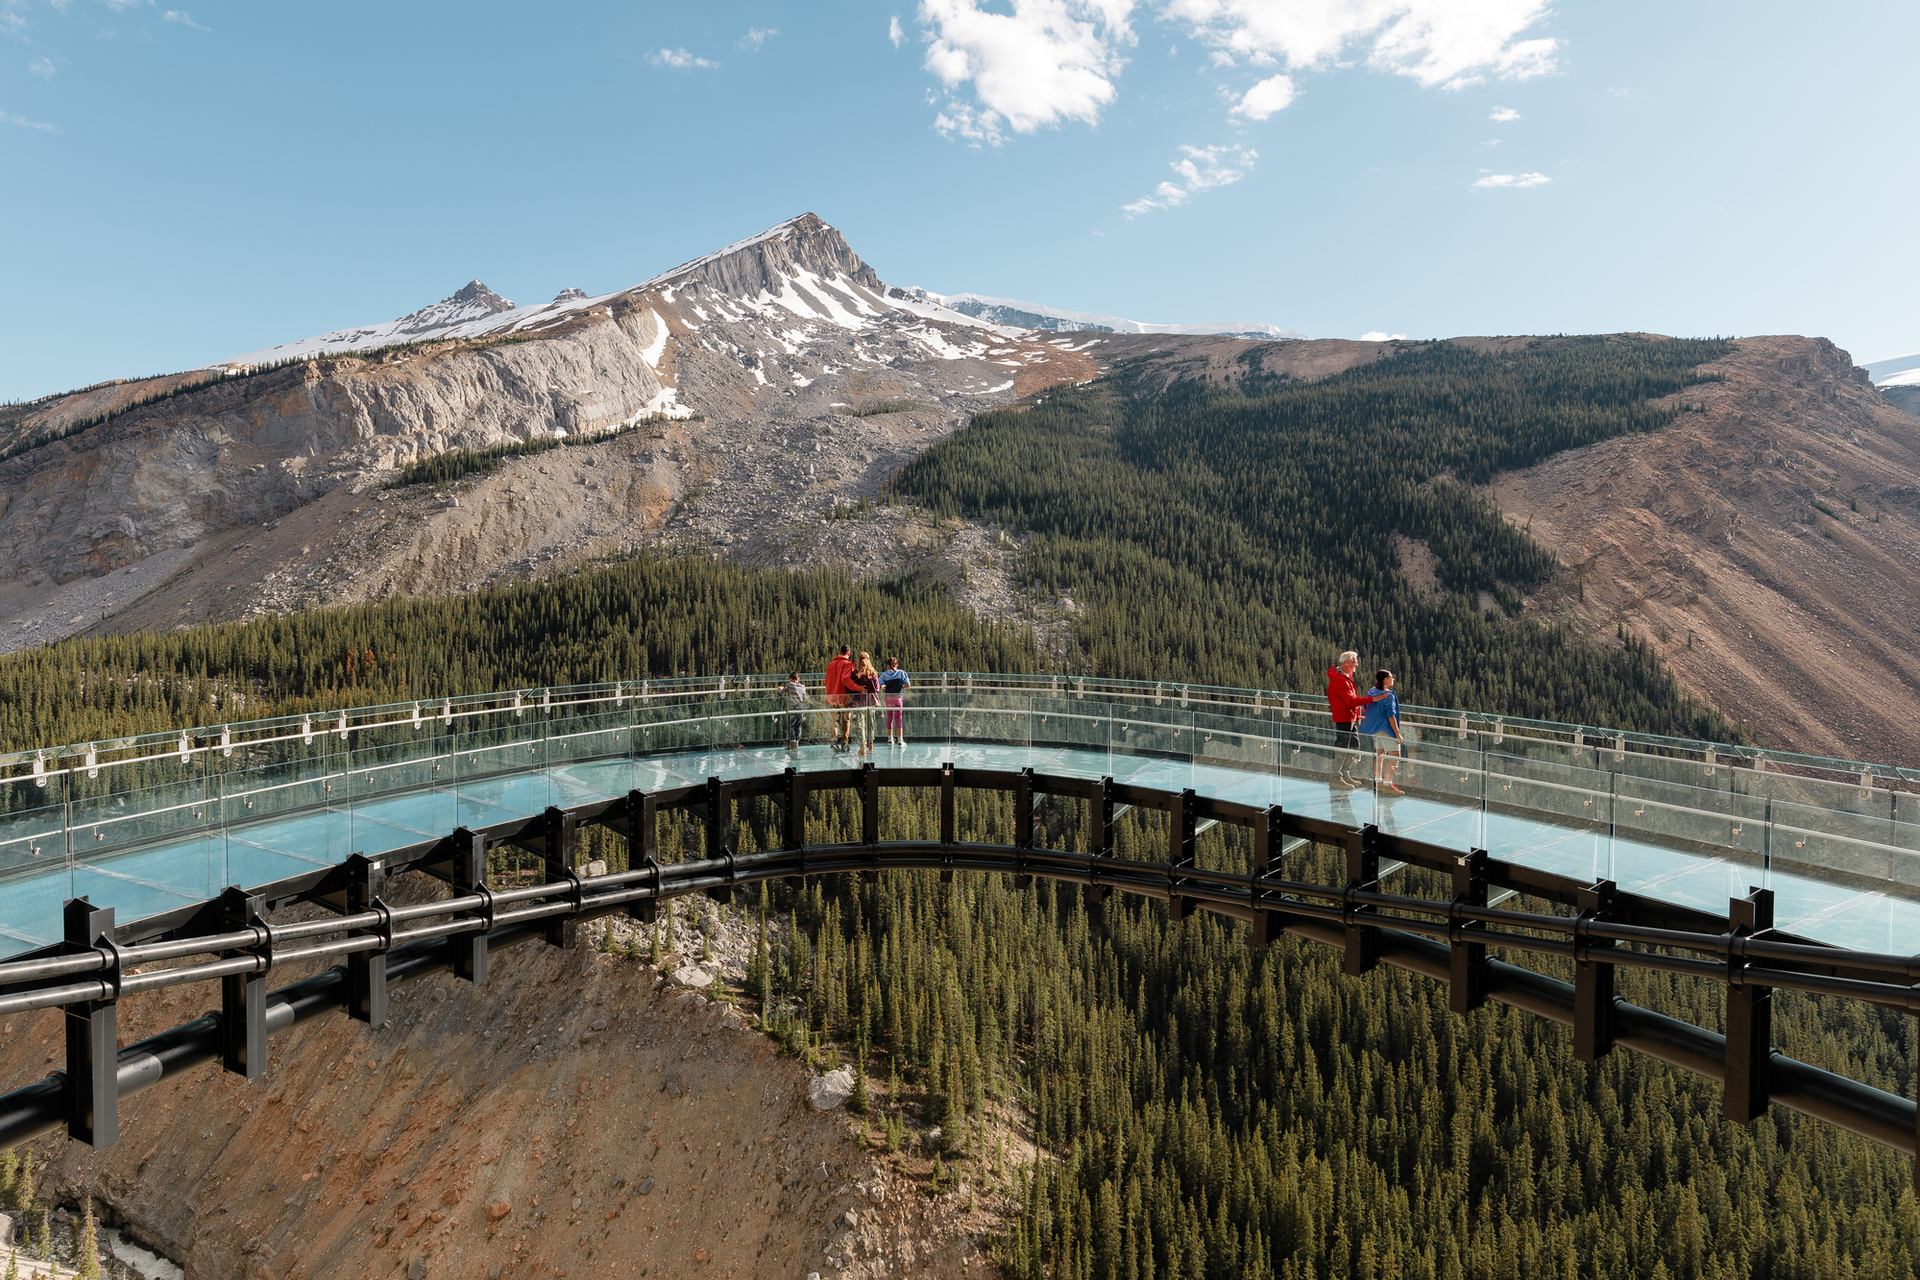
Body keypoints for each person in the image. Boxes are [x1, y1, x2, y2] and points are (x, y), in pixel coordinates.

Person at [1325, 650, 1386, 787]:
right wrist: (1373, 699)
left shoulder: (1346, 677)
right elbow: (1350, 700)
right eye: (1354, 662)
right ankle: (1336, 777)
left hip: (1350, 717)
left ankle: (1344, 774)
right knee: (1343, 746)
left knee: (1353, 745)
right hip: (1344, 718)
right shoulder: (1341, 680)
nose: (1357, 664)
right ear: (1346, 663)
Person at [1358, 669, 1404, 794]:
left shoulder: (1371, 691)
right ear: (1385, 679)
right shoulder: (1388, 695)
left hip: (1375, 729)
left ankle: (1378, 782)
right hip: (1386, 729)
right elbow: (1391, 715)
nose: (1393, 679)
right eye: (1391, 677)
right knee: (1395, 755)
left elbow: (1366, 707)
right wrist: (1397, 733)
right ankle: (1387, 784)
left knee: (1379, 754)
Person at [846, 652, 880, 757]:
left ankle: (862, 748)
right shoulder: (873, 673)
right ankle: (871, 746)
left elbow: (851, 687)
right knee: (871, 724)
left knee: (860, 725)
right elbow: (877, 689)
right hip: (870, 702)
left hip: (859, 702)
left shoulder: (855, 673)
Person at [824, 645, 854, 752]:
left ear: (839, 651)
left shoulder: (830, 664)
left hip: (832, 697)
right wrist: (858, 688)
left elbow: (826, 681)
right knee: (846, 720)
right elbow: (846, 680)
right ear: (849, 653)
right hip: (844, 698)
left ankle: (833, 741)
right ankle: (844, 743)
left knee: (834, 721)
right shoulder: (847, 664)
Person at [879, 657, 910, 746]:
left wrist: (886, 686)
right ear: (896, 665)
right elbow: (908, 685)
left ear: (888, 665)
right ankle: (900, 740)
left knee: (890, 718)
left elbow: (880, 685)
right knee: (898, 718)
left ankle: (890, 739)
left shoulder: (884, 675)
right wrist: (901, 686)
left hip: (888, 698)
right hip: (898, 697)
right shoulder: (901, 673)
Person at [783, 672, 807, 750]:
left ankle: (792, 744)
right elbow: (805, 698)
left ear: (791, 679)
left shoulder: (790, 685)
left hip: (793, 708)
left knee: (791, 725)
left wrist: (779, 688)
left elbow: (781, 691)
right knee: (798, 726)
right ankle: (796, 743)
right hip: (801, 707)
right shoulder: (803, 686)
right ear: (798, 679)